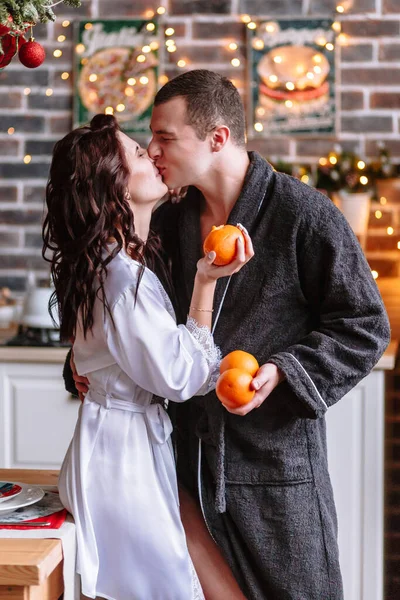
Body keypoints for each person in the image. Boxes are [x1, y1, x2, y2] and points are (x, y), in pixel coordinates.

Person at [67, 70, 391, 600]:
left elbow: (364, 325)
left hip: (272, 472)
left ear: (216, 138)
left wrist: (285, 371)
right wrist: (85, 366)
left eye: (165, 137)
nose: (153, 151)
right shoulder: (166, 221)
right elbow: (127, 318)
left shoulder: (302, 215)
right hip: (177, 472)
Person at [43, 113, 254, 600]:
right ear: (114, 188)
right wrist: (207, 281)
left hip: (116, 451)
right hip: (123, 464)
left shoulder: (111, 265)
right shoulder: (123, 278)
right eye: (140, 153)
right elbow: (183, 376)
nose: (153, 155)